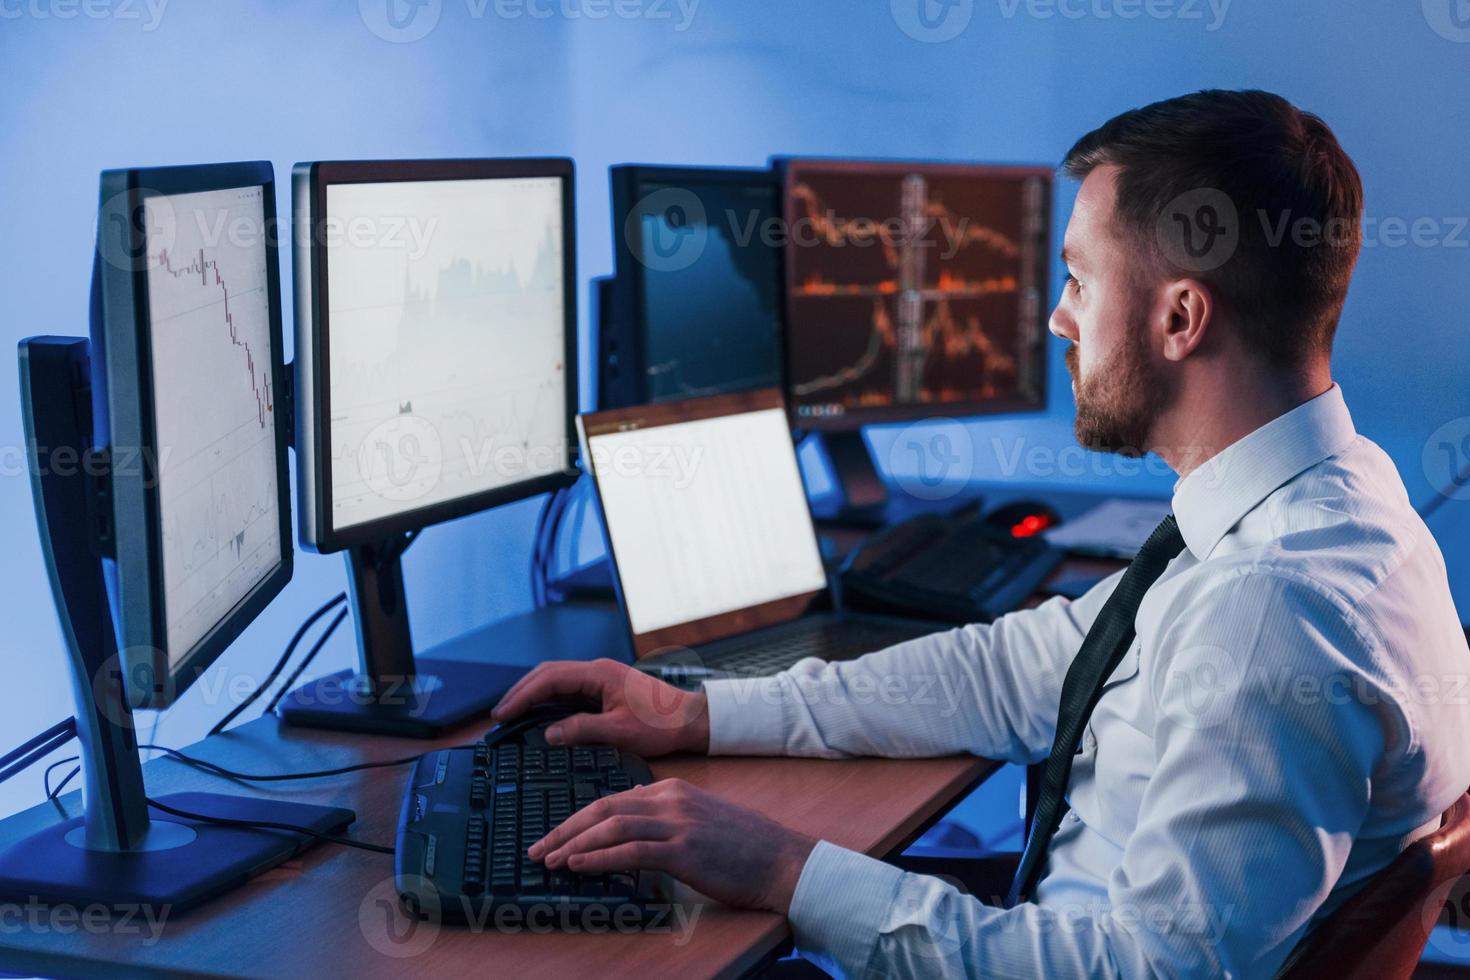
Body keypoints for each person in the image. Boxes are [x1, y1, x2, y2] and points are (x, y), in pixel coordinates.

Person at [494, 89, 1470, 977]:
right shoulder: (1330, 498)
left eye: (1082, 281)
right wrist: (701, 712)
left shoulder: (1269, 606)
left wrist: (785, 867)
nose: (1056, 318)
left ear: (1181, 316)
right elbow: (1029, 666)